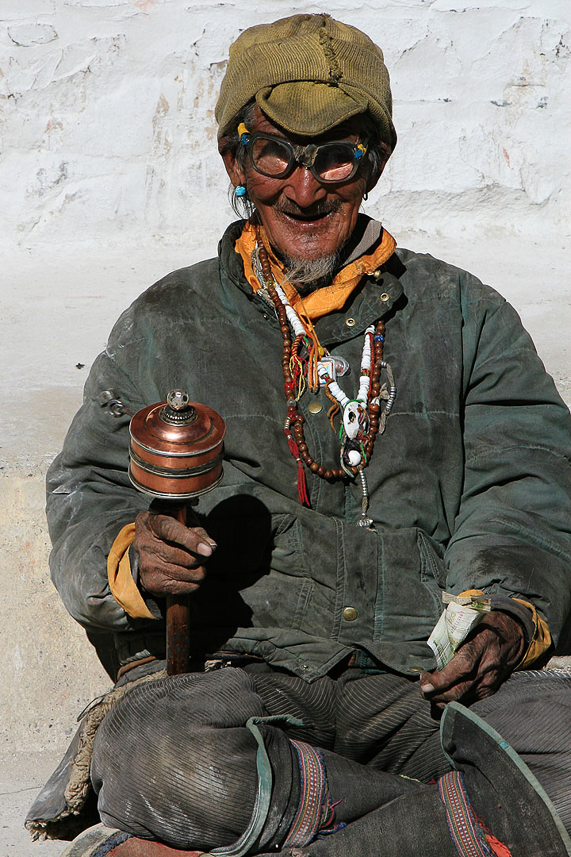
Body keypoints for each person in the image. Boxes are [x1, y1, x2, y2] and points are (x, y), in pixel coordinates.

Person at [27, 13, 571, 857]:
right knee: (154, 753)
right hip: (237, 680)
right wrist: (131, 558)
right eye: (274, 154)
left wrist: (497, 612)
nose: (305, 189)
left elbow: (525, 483)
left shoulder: (466, 318)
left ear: (376, 161)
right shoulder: (165, 322)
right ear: (234, 162)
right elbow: (86, 487)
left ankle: (284, 839)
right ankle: (447, 818)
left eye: (336, 156)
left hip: (423, 682)